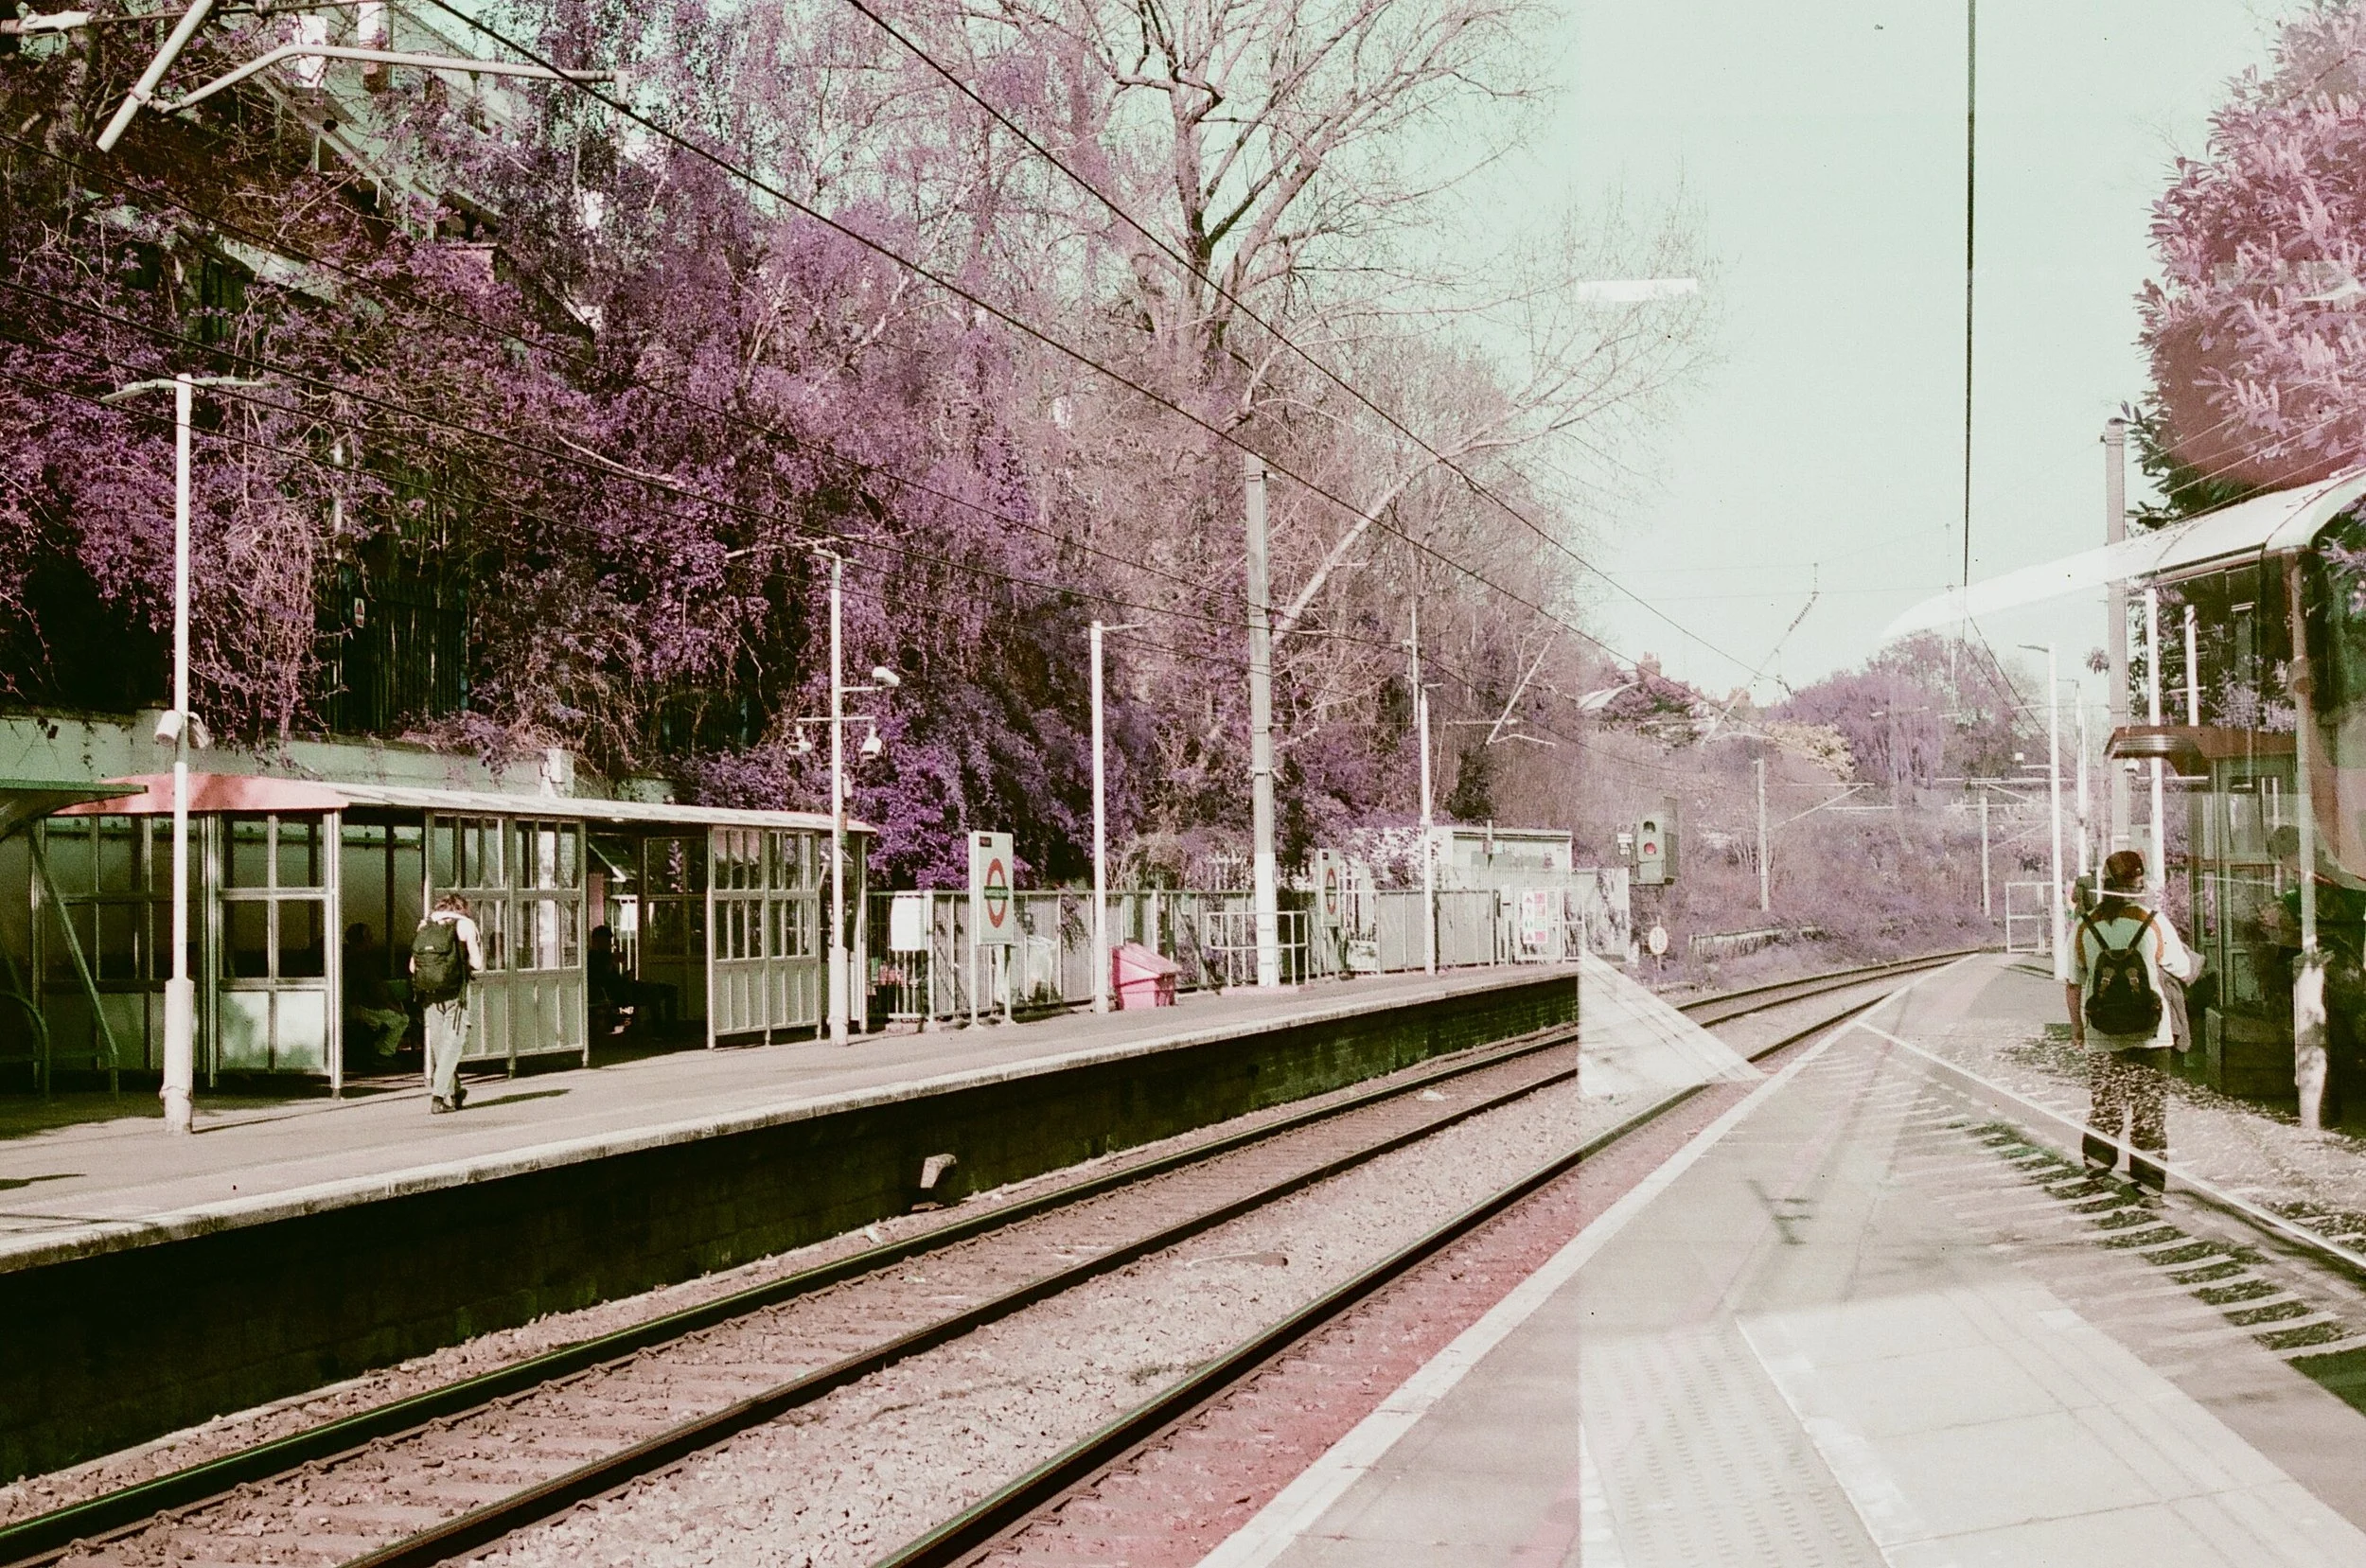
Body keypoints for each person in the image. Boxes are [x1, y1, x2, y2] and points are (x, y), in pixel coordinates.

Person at [2067, 850, 2198, 1191]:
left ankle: (2096, 1174)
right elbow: (2182, 970)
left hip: (2102, 1034)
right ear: (2138, 884)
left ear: (2105, 884)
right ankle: (2149, 1184)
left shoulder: (2084, 926)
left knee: (2106, 1107)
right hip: (2151, 1035)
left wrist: (2078, 1029)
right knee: (2149, 1111)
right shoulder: (2153, 920)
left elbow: (2073, 982)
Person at [411, 894, 486, 1114]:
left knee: (440, 1047)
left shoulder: (425, 924)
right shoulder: (465, 925)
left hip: (429, 996)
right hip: (455, 995)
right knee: (452, 1046)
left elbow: (413, 968)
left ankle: (456, 1091)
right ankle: (438, 1096)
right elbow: (477, 963)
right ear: (463, 908)